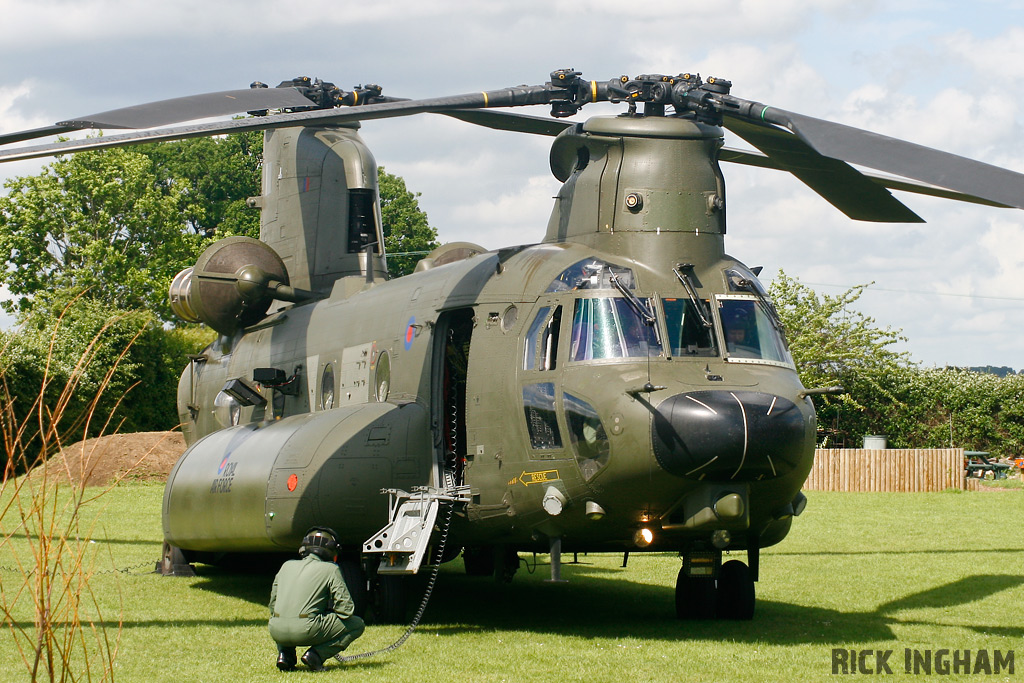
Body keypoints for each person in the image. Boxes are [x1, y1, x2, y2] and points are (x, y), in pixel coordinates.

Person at [269, 527, 365, 671]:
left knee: (284, 615)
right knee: (357, 624)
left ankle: (285, 655)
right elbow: (346, 610)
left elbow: (273, 605)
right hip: (307, 630)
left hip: (276, 630)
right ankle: (315, 655)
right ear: (332, 550)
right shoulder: (330, 569)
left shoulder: (286, 566)